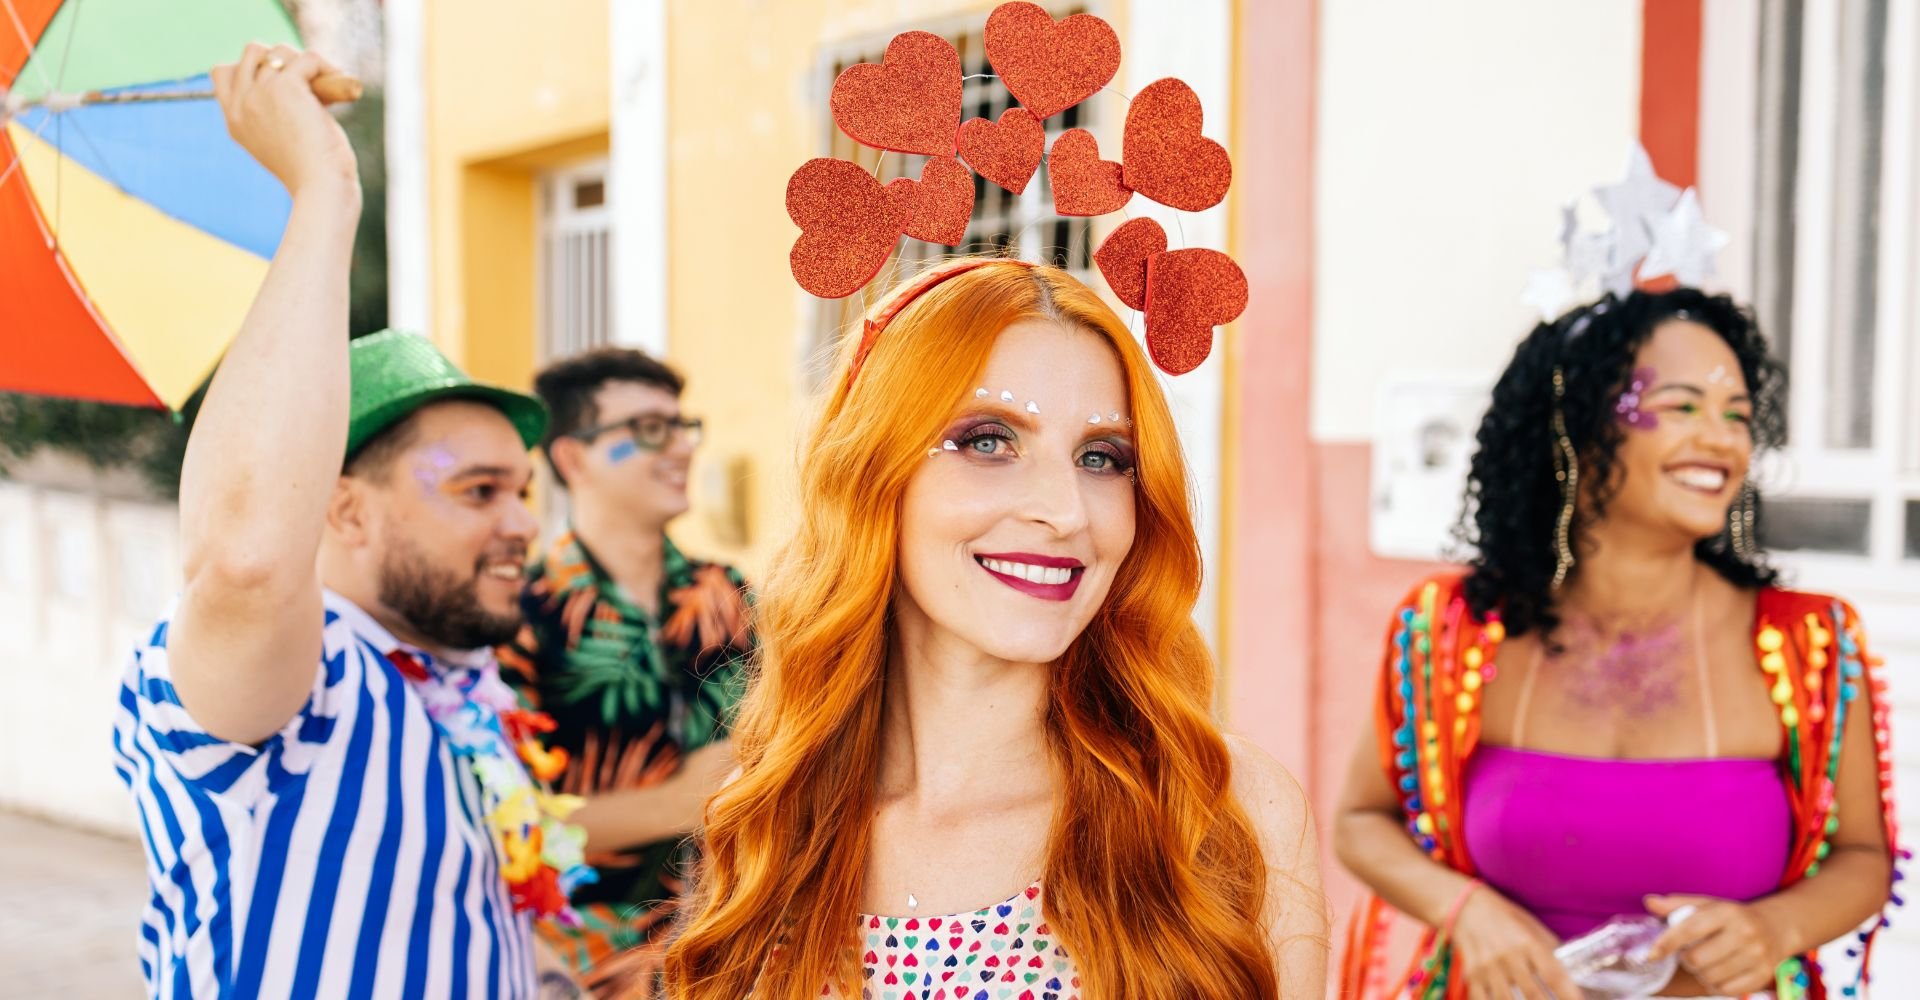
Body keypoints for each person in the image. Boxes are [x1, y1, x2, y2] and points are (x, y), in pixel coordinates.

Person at [663, 260, 1330, 999]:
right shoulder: (770, 817)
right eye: (988, 441)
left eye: (1102, 458)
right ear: (872, 472)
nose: (1066, 511)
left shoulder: (1220, 810)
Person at [109, 44, 589, 999]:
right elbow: (245, 560)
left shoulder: (468, 695)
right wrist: (323, 189)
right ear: (344, 508)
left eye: (523, 490)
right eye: (477, 491)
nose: (525, 524)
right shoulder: (310, 679)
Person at [1335, 288, 1899, 1000]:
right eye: (1684, 406)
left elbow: (1862, 857)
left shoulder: (1806, 641)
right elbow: (1360, 821)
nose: (1722, 439)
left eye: (1737, 416)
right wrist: (1465, 910)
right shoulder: (1451, 631)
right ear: (1579, 425)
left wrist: (1776, 929)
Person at [498, 349, 752, 995]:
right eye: (646, 430)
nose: (679, 449)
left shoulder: (730, 597)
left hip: (736, 952)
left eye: (681, 426)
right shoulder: (517, 616)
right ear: (572, 458)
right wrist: (672, 805)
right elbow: (501, 827)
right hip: (583, 966)